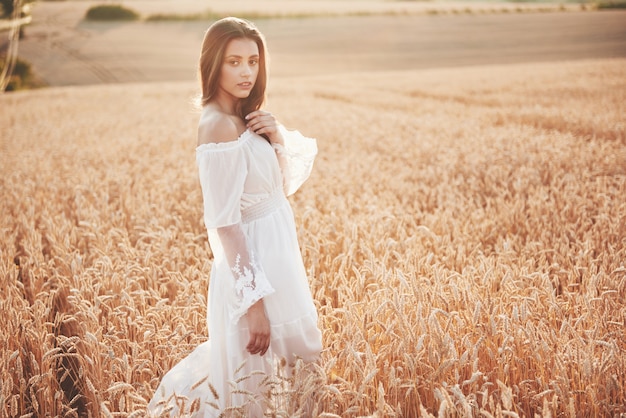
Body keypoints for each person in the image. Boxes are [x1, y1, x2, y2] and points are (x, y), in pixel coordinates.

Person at [147, 17, 323, 417]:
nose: (246, 72)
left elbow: (280, 186)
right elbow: (224, 222)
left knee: (301, 365)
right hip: (255, 272)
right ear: (213, 65)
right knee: (255, 383)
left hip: (280, 261)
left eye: (253, 61)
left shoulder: (245, 118)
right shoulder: (217, 128)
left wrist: (276, 135)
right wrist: (254, 303)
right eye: (234, 62)